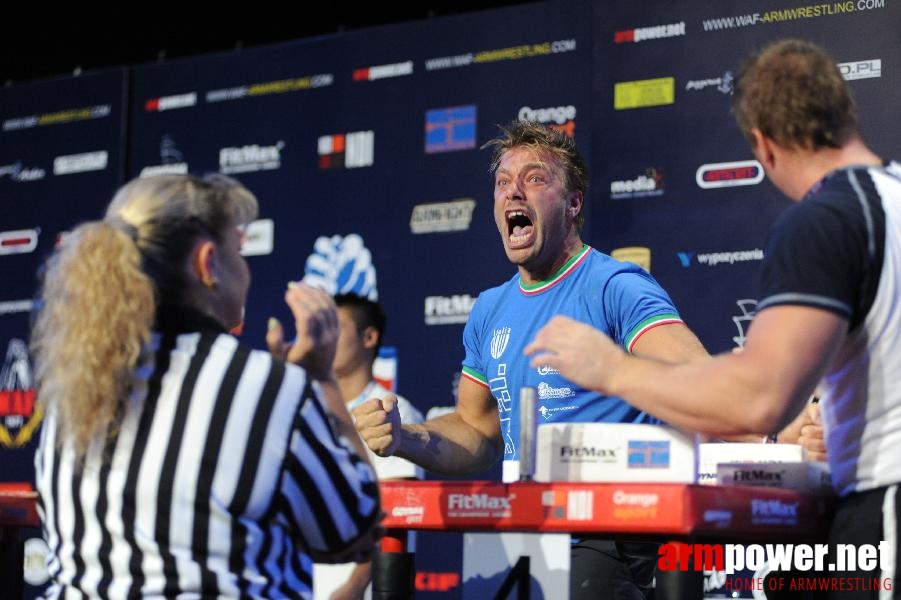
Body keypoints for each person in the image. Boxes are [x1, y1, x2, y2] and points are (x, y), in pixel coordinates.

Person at [525, 39, 900, 597]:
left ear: (762, 144)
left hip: (883, 511)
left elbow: (758, 398)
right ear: (845, 112)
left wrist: (610, 369)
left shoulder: (827, 218)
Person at [353, 120, 711, 599]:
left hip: (605, 537)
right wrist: (405, 438)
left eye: (535, 179)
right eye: (503, 183)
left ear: (574, 204)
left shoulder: (614, 286)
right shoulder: (488, 308)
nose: (513, 192)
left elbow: (696, 377)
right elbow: (477, 431)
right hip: (517, 534)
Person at [30, 174, 382, 599]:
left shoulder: (75, 384)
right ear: (208, 263)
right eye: (240, 252)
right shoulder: (263, 385)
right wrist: (322, 379)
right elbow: (353, 532)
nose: (247, 269)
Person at [269, 293, 424, 600]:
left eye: (335, 327)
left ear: (369, 337)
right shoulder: (304, 408)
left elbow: (392, 514)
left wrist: (353, 587)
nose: (324, 337)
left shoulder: (392, 413)